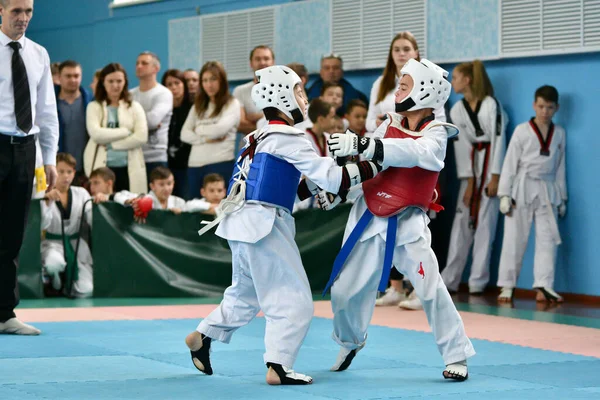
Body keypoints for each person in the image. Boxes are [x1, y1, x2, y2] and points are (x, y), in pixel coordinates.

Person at [184, 65, 382, 385]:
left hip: (242, 222)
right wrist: (373, 165)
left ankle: (203, 336)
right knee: (295, 300)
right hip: (264, 224)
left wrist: (317, 188)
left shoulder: (257, 135)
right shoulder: (289, 136)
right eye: (300, 91)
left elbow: (283, 187)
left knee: (244, 295)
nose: (305, 99)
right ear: (282, 95)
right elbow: (332, 176)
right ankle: (278, 365)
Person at [324, 58, 475, 381]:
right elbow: (371, 163)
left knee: (430, 288)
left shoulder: (437, 134)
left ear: (424, 91)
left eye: (405, 85)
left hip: (407, 221)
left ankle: (456, 354)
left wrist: (368, 145)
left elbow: (413, 153)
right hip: (368, 214)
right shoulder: (389, 122)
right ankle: (351, 341)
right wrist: (339, 184)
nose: (398, 90)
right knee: (344, 291)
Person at [0, 0, 59, 336]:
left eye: (28, 12)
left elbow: (46, 109)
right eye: (16, 11)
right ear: (1, 9)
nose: (23, 18)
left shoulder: (38, 53)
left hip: (26, 149)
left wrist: (49, 157)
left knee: (12, 235)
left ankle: (4, 313)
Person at [440, 60, 507, 296]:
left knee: (485, 227)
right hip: (472, 167)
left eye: (455, 77)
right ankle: (450, 279)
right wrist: (469, 182)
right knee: (461, 224)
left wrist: (496, 177)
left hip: (490, 166)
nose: (452, 82)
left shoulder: (491, 105)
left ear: (467, 80)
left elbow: (499, 140)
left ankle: (478, 282)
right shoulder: (457, 110)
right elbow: (461, 146)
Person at [496, 85, 567, 303]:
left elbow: (560, 167)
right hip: (522, 188)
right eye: (541, 106)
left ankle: (544, 285)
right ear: (534, 105)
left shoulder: (559, 134)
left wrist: (562, 198)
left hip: (548, 191)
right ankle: (507, 286)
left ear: (556, 108)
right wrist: (504, 194)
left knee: (547, 238)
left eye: (549, 107)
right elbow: (509, 163)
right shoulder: (522, 130)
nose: (544, 111)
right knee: (514, 238)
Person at [83, 63, 148, 194]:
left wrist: (113, 145)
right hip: (102, 167)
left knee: (129, 207)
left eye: (119, 81)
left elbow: (141, 136)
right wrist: (125, 132)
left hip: (128, 168)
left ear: (125, 82)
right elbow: (96, 134)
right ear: (103, 82)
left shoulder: (135, 107)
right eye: (110, 81)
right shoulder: (94, 106)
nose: (115, 85)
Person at [181, 61, 240, 199]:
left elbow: (219, 130)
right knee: (195, 211)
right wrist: (204, 139)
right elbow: (184, 134)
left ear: (222, 81)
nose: (209, 84)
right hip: (195, 165)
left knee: (222, 212)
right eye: (205, 80)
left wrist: (199, 129)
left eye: (213, 79)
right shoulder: (198, 106)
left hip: (221, 163)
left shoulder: (232, 103)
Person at [41, 153, 93, 298]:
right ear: (53, 171)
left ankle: (67, 283)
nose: (65, 176)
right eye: (61, 171)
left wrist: (99, 200)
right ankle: (55, 280)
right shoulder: (44, 194)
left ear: (74, 173)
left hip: (76, 245)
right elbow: (41, 225)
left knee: (86, 291)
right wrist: (47, 203)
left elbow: (91, 218)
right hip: (52, 243)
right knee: (54, 263)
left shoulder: (81, 193)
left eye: (69, 172)